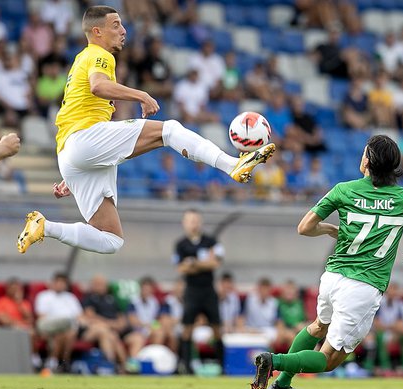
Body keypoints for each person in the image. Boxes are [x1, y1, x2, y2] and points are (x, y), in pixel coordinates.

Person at [16, 6, 275, 256]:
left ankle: (45, 227)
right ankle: (232, 165)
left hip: (72, 154)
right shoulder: (99, 55)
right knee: (170, 130)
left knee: (111, 239)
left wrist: (74, 171)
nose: (123, 30)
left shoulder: (81, 59)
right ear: (97, 32)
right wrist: (141, 95)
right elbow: (98, 86)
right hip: (83, 138)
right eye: (116, 25)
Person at [250, 134, 403, 389]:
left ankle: (281, 384)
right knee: (328, 360)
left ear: (368, 162)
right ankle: (274, 361)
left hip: (332, 277)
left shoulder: (343, 190)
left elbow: (304, 228)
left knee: (316, 327)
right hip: (363, 287)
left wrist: (330, 230)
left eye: (364, 153)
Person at [174, 209, 225, 373]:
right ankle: (186, 367)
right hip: (191, 291)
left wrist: (193, 263)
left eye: (196, 220)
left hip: (209, 290)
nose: (193, 223)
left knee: (217, 329)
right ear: (184, 223)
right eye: (190, 220)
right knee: (187, 329)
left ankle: (221, 366)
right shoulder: (180, 244)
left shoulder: (211, 241)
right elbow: (181, 269)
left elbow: (215, 264)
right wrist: (203, 263)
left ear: (200, 222)